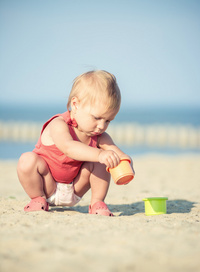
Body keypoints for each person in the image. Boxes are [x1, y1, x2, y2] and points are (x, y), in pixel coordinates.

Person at [17, 70, 134, 216]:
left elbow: (117, 153)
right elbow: (68, 148)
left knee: (103, 160)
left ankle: (97, 202)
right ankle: (37, 198)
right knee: (27, 160)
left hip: (76, 187)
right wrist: (100, 154)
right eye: (97, 118)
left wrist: (126, 164)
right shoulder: (59, 124)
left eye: (108, 120)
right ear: (75, 104)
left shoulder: (100, 136)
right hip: (47, 185)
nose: (102, 126)